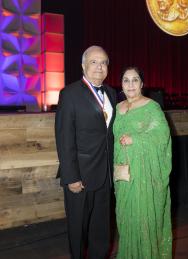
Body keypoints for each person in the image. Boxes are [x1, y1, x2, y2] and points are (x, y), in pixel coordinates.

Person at [55, 46, 116, 259]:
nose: (99, 67)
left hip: (104, 175)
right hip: (79, 177)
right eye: (94, 62)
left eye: (104, 62)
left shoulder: (110, 93)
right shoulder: (69, 94)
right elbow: (64, 139)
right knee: (78, 230)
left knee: (101, 230)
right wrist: (71, 177)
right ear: (83, 66)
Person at [113, 67, 172, 258]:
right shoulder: (117, 108)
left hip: (144, 176)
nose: (130, 84)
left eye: (135, 80)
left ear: (142, 84)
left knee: (143, 220)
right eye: (126, 80)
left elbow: (162, 137)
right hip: (122, 174)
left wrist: (136, 140)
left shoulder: (151, 107)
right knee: (125, 219)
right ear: (121, 84)